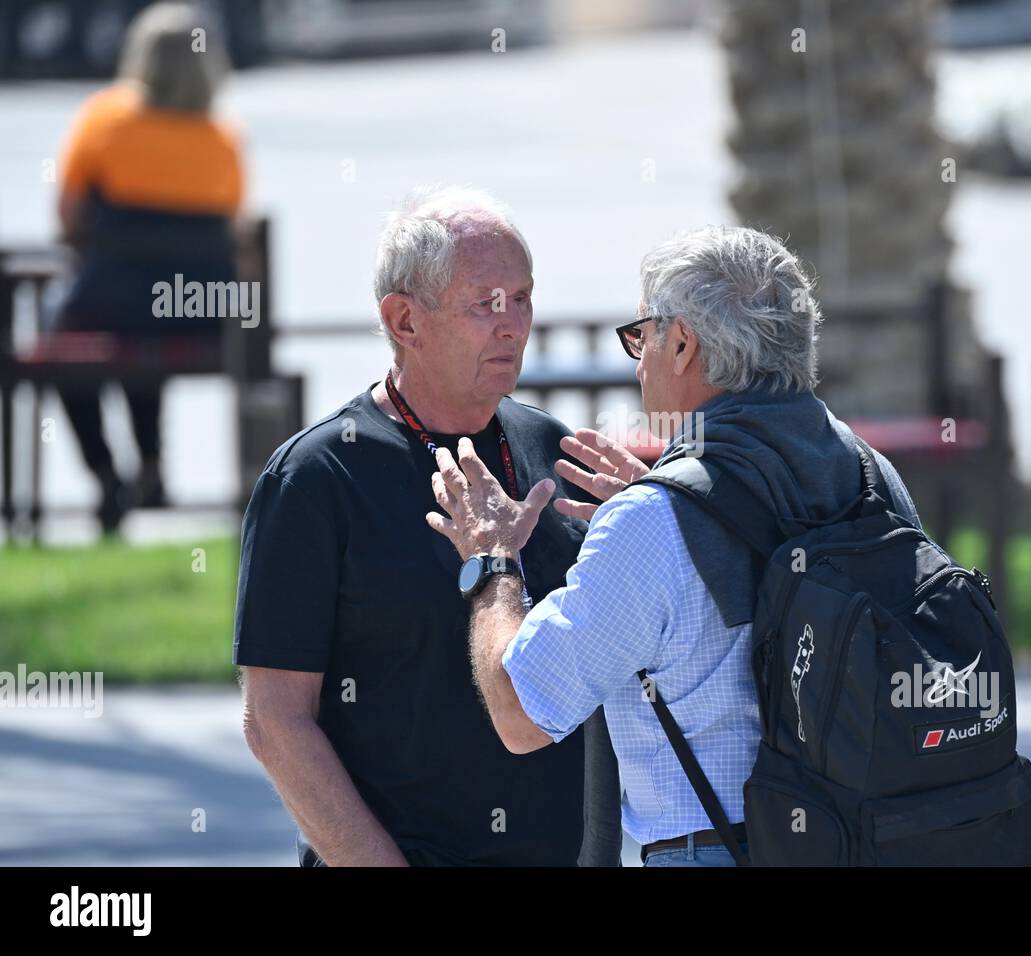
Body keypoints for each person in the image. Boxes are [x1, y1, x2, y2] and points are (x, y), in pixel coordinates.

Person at [425, 225, 921, 866]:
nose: (638, 363)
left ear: (682, 343)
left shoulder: (654, 524)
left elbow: (521, 712)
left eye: (642, 337)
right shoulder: (872, 472)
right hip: (874, 843)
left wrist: (492, 562)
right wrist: (681, 505)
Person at [234, 186, 620, 867]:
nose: (513, 324)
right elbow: (274, 721)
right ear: (404, 320)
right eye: (485, 303)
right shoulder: (318, 478)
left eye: (523, 297)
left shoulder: (553, 453)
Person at [51, 1, 244, 532]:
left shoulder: (103, 118)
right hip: (196, 311)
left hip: (112, 303)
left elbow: (67, 218)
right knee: (147, 322)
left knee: (67, 340)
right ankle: (154, 465)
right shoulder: (223, 139)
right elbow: (233, 228)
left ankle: (106, 472)